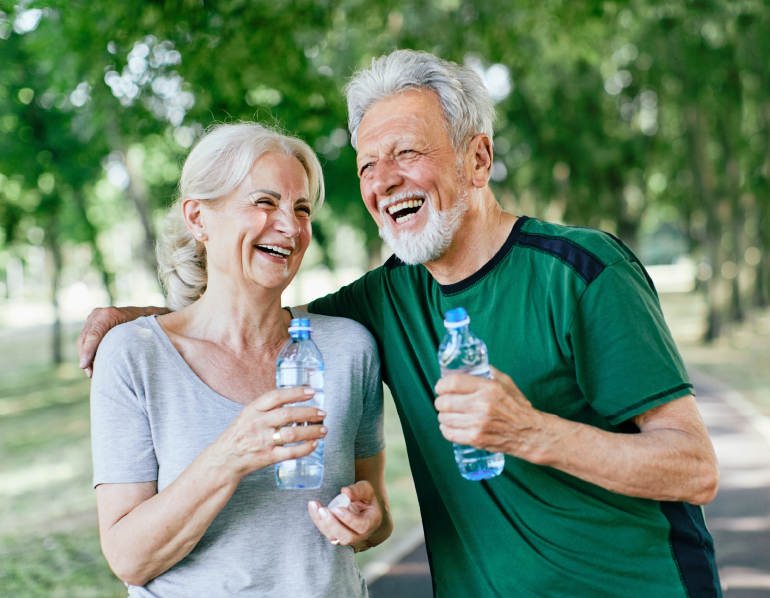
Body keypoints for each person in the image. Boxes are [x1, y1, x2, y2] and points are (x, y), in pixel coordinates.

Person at [80, 51, 721, 597]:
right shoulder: (384, 301)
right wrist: (139, 321)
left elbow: (694, 467)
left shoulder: (580, 272)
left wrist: (530, 432)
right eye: (366, 165)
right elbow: (250, 313)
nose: (385, 181)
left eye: (407, 153)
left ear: (477, 159)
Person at [88, 122, 391, 597]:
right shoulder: (133, 357)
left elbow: (378, 520)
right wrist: (229, 457)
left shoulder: (350, 350)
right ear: (198, 218)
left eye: (302, 208)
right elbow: (129, 557)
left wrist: (367, 519)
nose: (290, 227)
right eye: (265, 202)